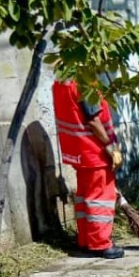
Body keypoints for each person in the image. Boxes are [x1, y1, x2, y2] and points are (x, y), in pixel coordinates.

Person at [51, 78, 125, 259]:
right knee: (100, 199)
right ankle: (100, 243)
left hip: (79, 151)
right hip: (94, 152)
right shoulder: (83, 83)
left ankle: (87, 241)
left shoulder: (61, 83)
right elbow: (93, 120)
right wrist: (110, 147)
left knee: (85, 198)